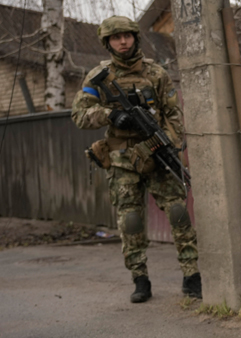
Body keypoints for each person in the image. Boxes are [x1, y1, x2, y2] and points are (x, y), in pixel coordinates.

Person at [71, 16, 201, 303]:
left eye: (127, 36)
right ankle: (140, 279)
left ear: (135, 38)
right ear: (107, 42)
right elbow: (79, 114)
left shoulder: (156, 72)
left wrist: (168, 144)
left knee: (178, 212)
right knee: (130, 219)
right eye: (116, 37)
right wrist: (110, 115)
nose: (123, 42)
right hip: (122, 160)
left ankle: (191, 275)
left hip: (157, 153)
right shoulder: (97, 76)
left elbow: (173, 114)